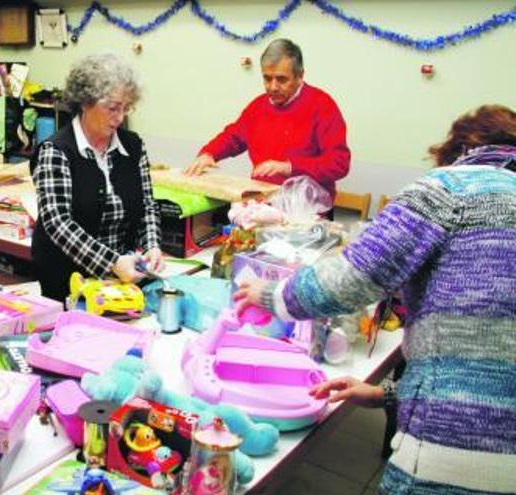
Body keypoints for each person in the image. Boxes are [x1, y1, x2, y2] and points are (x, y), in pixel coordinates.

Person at [234, 104, 516, 494]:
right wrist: (389, 394)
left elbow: (354, 278)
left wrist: (272, 294)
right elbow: (494, 353)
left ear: (461, 149)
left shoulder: (452, 189)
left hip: (453, 455)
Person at [31, 53, 162, 301]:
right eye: (112, 108)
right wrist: (112, 262)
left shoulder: (133, 147)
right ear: (85, 102)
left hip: (120, 283)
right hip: (67, 283)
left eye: (126, 108)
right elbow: (58, 223)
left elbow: (147, 206)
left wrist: (152, 245)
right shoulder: (56, 151)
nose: (120, 117)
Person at [184, 38, 350, 202]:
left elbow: (339, 163)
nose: (273, 87)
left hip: (307, 211)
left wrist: (288, 167)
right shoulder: (258, 107)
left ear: (300, 76)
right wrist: (209, 153)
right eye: (267, 78)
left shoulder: (322, 105)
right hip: (262, 203)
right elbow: (233, 136)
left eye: (281, 79)